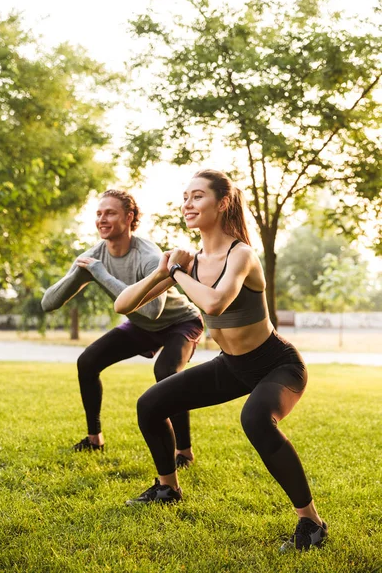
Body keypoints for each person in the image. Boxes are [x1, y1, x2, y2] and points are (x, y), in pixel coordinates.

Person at [114, 170, 327, 552]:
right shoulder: (189, 263)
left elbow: (214, 302)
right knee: (150, 403)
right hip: (232, 366)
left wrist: (176, 273)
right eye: (185, 197)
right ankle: (167, 488)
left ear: (222, 203)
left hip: (277, 364)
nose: (187, 205)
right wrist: (162, 272)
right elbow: (123, 305)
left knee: (256, 419)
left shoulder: (240, 254)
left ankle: (310, 523)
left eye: (197, 197)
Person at [41, 189, 203, 464]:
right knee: (88, 362)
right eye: (99, 214)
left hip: (180, 322)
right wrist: (79, 274)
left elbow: (153, 310)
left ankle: (183, 452)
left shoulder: (148, 255)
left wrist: (101, 273)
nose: (102, 219)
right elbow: (48, 303)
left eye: (110, 213)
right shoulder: (93, 255)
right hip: (140, 326)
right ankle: (94, 439)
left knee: (166, 372)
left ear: (129, 217)